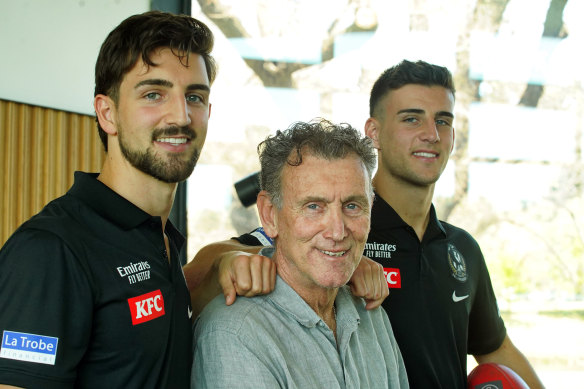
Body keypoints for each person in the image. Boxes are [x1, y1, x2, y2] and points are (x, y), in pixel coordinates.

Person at [189, 60, 545, 389]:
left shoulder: (459, 249)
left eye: (443, 120)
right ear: (374, 131)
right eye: (411, 118)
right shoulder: (331, 238)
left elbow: (495, 348)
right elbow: (213, 267)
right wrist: (228, 261)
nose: (431, 134)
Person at [0, 11, 216, 389]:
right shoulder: (51, 250)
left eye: (194, 97)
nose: (181, 116)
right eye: (154, 94)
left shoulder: (160, 238)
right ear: (107, 113)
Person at [191, 119, 409, 389]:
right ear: (270, 215)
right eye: (314, 206)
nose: (338, 231)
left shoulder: (372, 315)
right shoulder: (236, 332)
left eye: (352, 206)